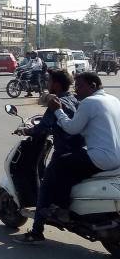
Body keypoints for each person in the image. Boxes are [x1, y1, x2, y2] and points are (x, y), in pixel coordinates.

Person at [42, 73, 120, 234]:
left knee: (59, 163)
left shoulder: (89, 102)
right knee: (73, 168)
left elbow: (71, 128)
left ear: (93, 86)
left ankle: (61, 209)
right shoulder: (113, 100)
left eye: (80, 86)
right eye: (75, 86)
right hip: (116, 156)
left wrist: (58, 111)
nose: (77, 90)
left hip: (102, 157)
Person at [14, 70, 83, 244]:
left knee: (44, 189)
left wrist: (25, 130)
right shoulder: (75, 99)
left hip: (64, 153)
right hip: (82, 151)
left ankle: (36, 233)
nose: (46, 83)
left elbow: (42, 128)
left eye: (49, 81)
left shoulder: (55, 102)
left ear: (56, 85)